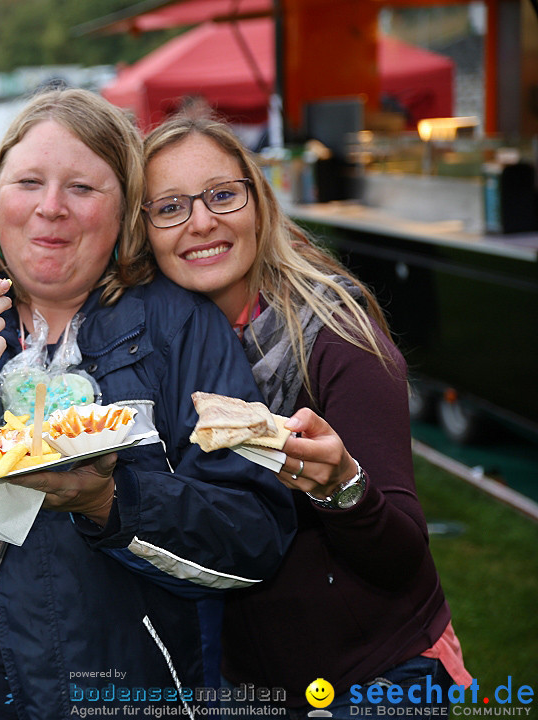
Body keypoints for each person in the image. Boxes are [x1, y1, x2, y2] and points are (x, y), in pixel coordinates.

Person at [0, 87, 296, 719]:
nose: (50, 209)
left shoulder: (178, 329)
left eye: (83, 189)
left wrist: (109, 502)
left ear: (124, 213)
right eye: (28, 181)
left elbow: (254, 533)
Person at [141, 109, 470, 716]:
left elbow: (404, 555)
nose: (202, 222)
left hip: (374, 680)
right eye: (170, 207)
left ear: (259, 203)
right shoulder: (158, 349)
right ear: (144, 230)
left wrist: (343, 487)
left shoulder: (336, 337)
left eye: (221, 195)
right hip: (242, 683)